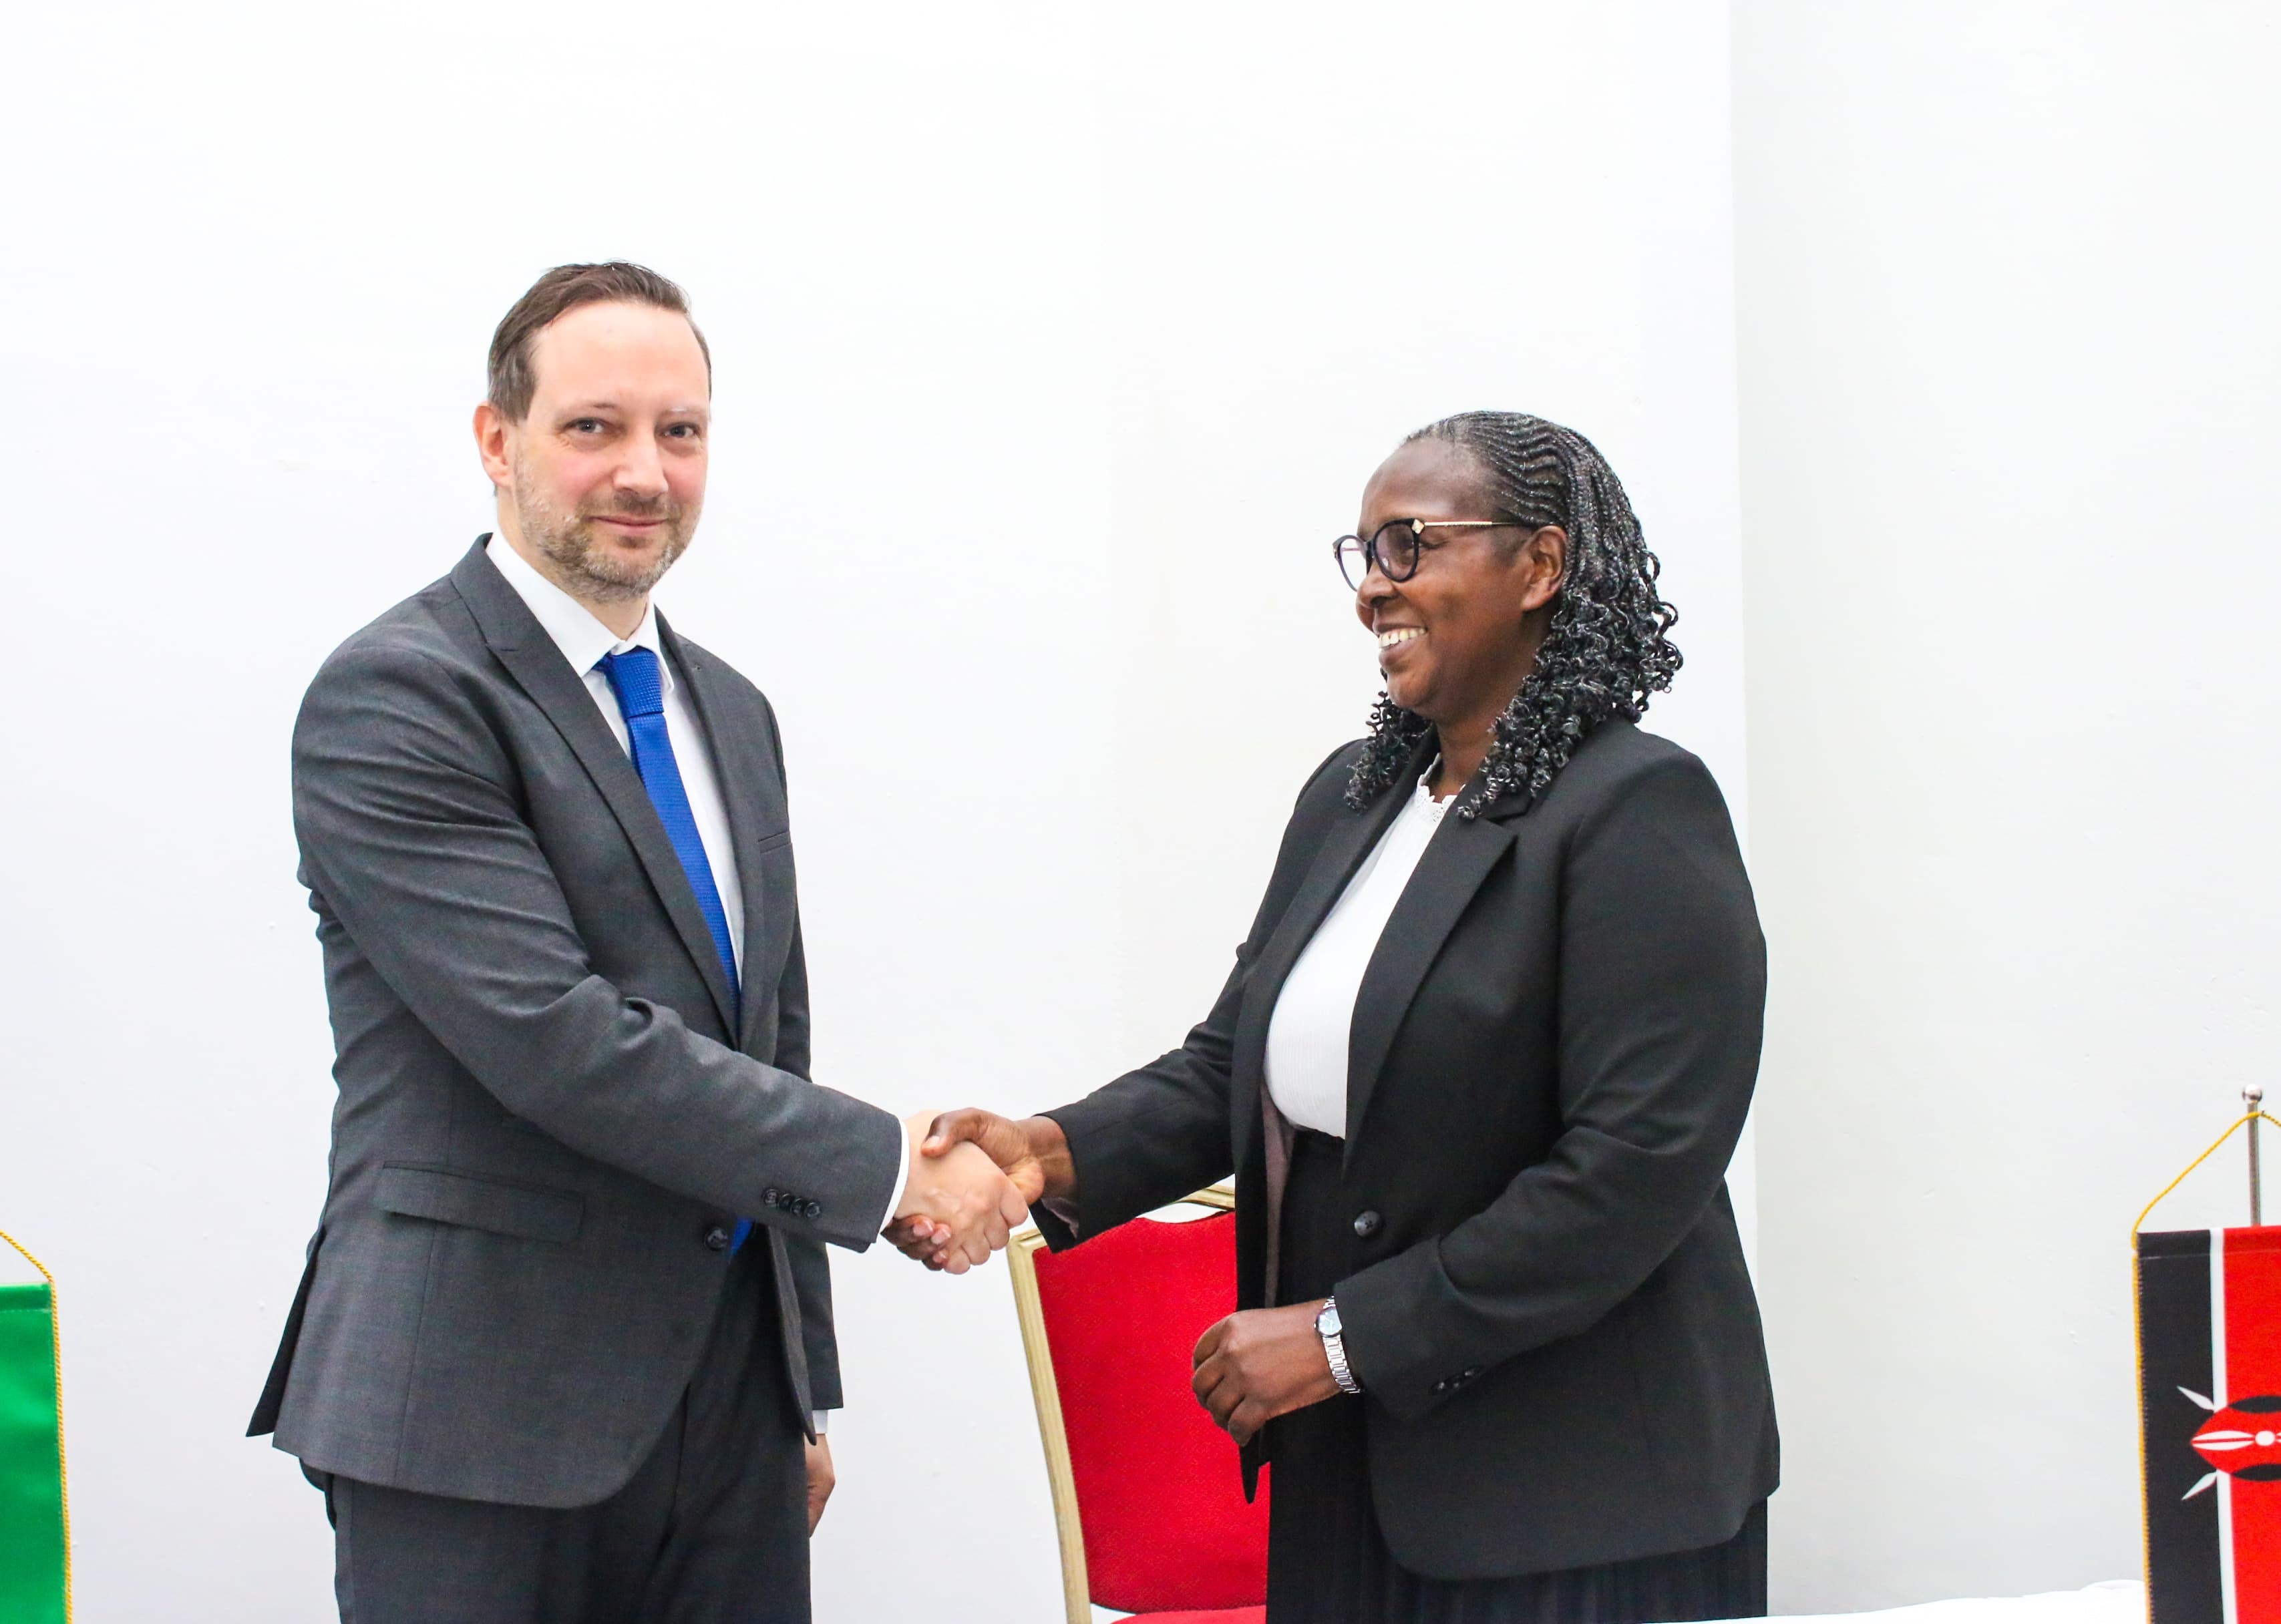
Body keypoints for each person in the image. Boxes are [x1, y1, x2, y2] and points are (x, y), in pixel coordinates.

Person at [247, 262, 1029, 1624]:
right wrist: (893, 1168)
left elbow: (767, 1041)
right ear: (497, 441)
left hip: (725, 1424)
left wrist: (796, 1391)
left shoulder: (732, 709)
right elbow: (557, 1041)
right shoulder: (402, 693)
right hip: (474, 1412)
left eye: (681, 431)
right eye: (593, 427)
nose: (644, 473)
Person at [897, 411, 1777, 1622]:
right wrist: (1046, 1151)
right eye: (1363, 554)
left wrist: (1344, 1339)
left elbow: (1633, 1175)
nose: (1373, 588)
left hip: (1578, 1498)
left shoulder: (1638, 809)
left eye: (1411, 545)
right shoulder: (1355, 800)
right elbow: (1234, 1065)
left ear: (1541, 566)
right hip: (1348, 1468)